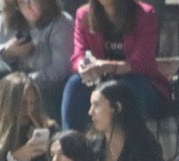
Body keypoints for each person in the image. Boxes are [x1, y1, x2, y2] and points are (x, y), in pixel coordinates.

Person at [60, 0, 168, 130]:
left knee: (130, 86)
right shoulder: (84, 15)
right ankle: (71, 145)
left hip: (140, 84)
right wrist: (83, 66)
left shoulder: (144, 14)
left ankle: (134, 146)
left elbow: (141, 63)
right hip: (100, 80)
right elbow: (78, 55)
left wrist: (107, 66)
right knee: (74, 85)